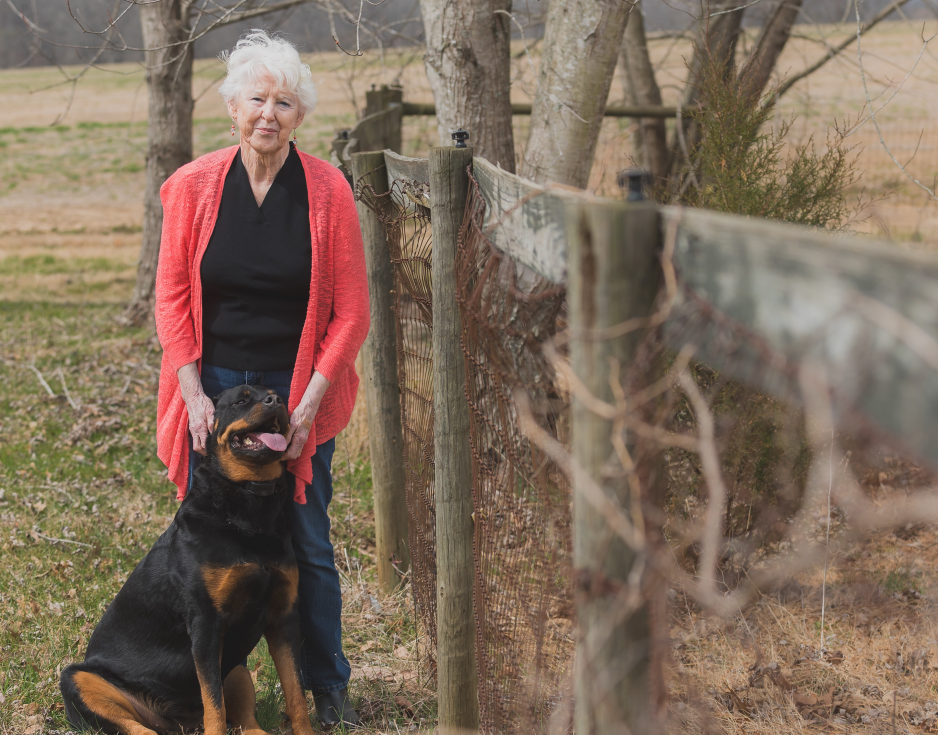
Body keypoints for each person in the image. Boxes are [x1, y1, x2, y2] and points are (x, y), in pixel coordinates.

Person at [154, 29, 369, 728]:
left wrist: (309, 404)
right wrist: (190, 390)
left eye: (283, 101)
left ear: (299, 114)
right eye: (256, 98)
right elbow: (172, 299)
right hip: (213, 386)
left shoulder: (328, 192)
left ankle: (325, 686)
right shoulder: (192, 186)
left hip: (292, 389)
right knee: (207, 545)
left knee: (304, 538)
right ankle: (200, 690)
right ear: (233, 106)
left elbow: (352, 311)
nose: (268, 113)